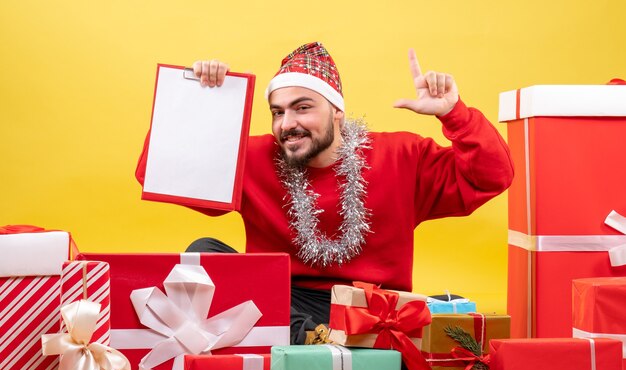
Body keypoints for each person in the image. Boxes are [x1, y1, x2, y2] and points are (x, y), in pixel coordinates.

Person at [135, 42, 514, 344]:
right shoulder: (253, 157)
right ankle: (316, 345)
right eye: (278, 112)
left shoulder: (401, 155)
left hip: (372, 307)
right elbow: (156, 174)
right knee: (205, 251)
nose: (288, 124)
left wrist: (454, 114)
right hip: (281, 301)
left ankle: (333, 347)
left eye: (303, 108)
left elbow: (493, 176)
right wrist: (200, 102)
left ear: (337, 112)